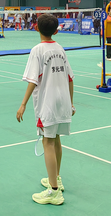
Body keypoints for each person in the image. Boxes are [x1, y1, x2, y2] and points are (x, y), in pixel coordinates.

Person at [16, 13, 75, 205]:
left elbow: (33, 80)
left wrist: (23, 103)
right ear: (56, 31)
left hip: (47, 104)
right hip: (63, 102)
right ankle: (55, 178)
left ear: (36, 28)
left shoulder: (37, 50)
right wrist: (71, 103)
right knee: (56, 139)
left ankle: (54, 192)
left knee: (47, 142)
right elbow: (70, 78)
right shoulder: (60, 49)